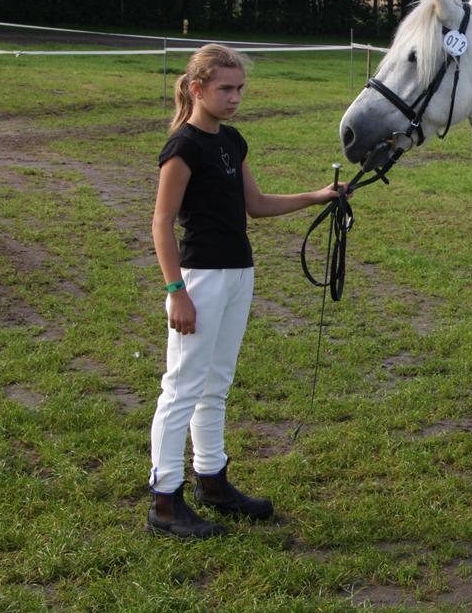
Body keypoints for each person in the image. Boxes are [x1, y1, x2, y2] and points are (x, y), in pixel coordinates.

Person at [148, 43, 346, 538]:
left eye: (240, 89)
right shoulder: (183, 147)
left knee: (217, 381)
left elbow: (254, 205)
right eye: (225, 89)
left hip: (239, 273)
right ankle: (166, 501)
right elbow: (162, 221)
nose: (235, 97)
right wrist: (176, 290)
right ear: (197, 89)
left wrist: (317, 196)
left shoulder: (232, 141)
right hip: (200, 278)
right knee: (182, 387)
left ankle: (211, 479)